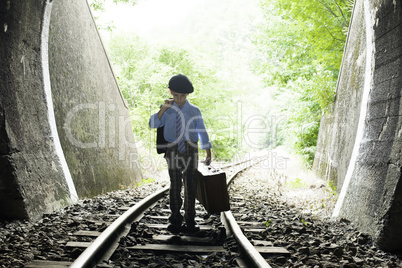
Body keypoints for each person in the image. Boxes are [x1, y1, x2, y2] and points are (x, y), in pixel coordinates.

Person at [149, 74, 212, 234]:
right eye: (176, 95)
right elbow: (152, 124)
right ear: (170, 92)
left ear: (188, 95)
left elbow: (202, 131)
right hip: (173, 149)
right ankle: (175, 220)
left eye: (182, 96)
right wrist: (163, 108)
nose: (179, 99)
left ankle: (190, 220)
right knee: (175, 185)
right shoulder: (167, 111)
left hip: (191, 149)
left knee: (190, 186)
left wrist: (208, 151)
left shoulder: (194, 110)